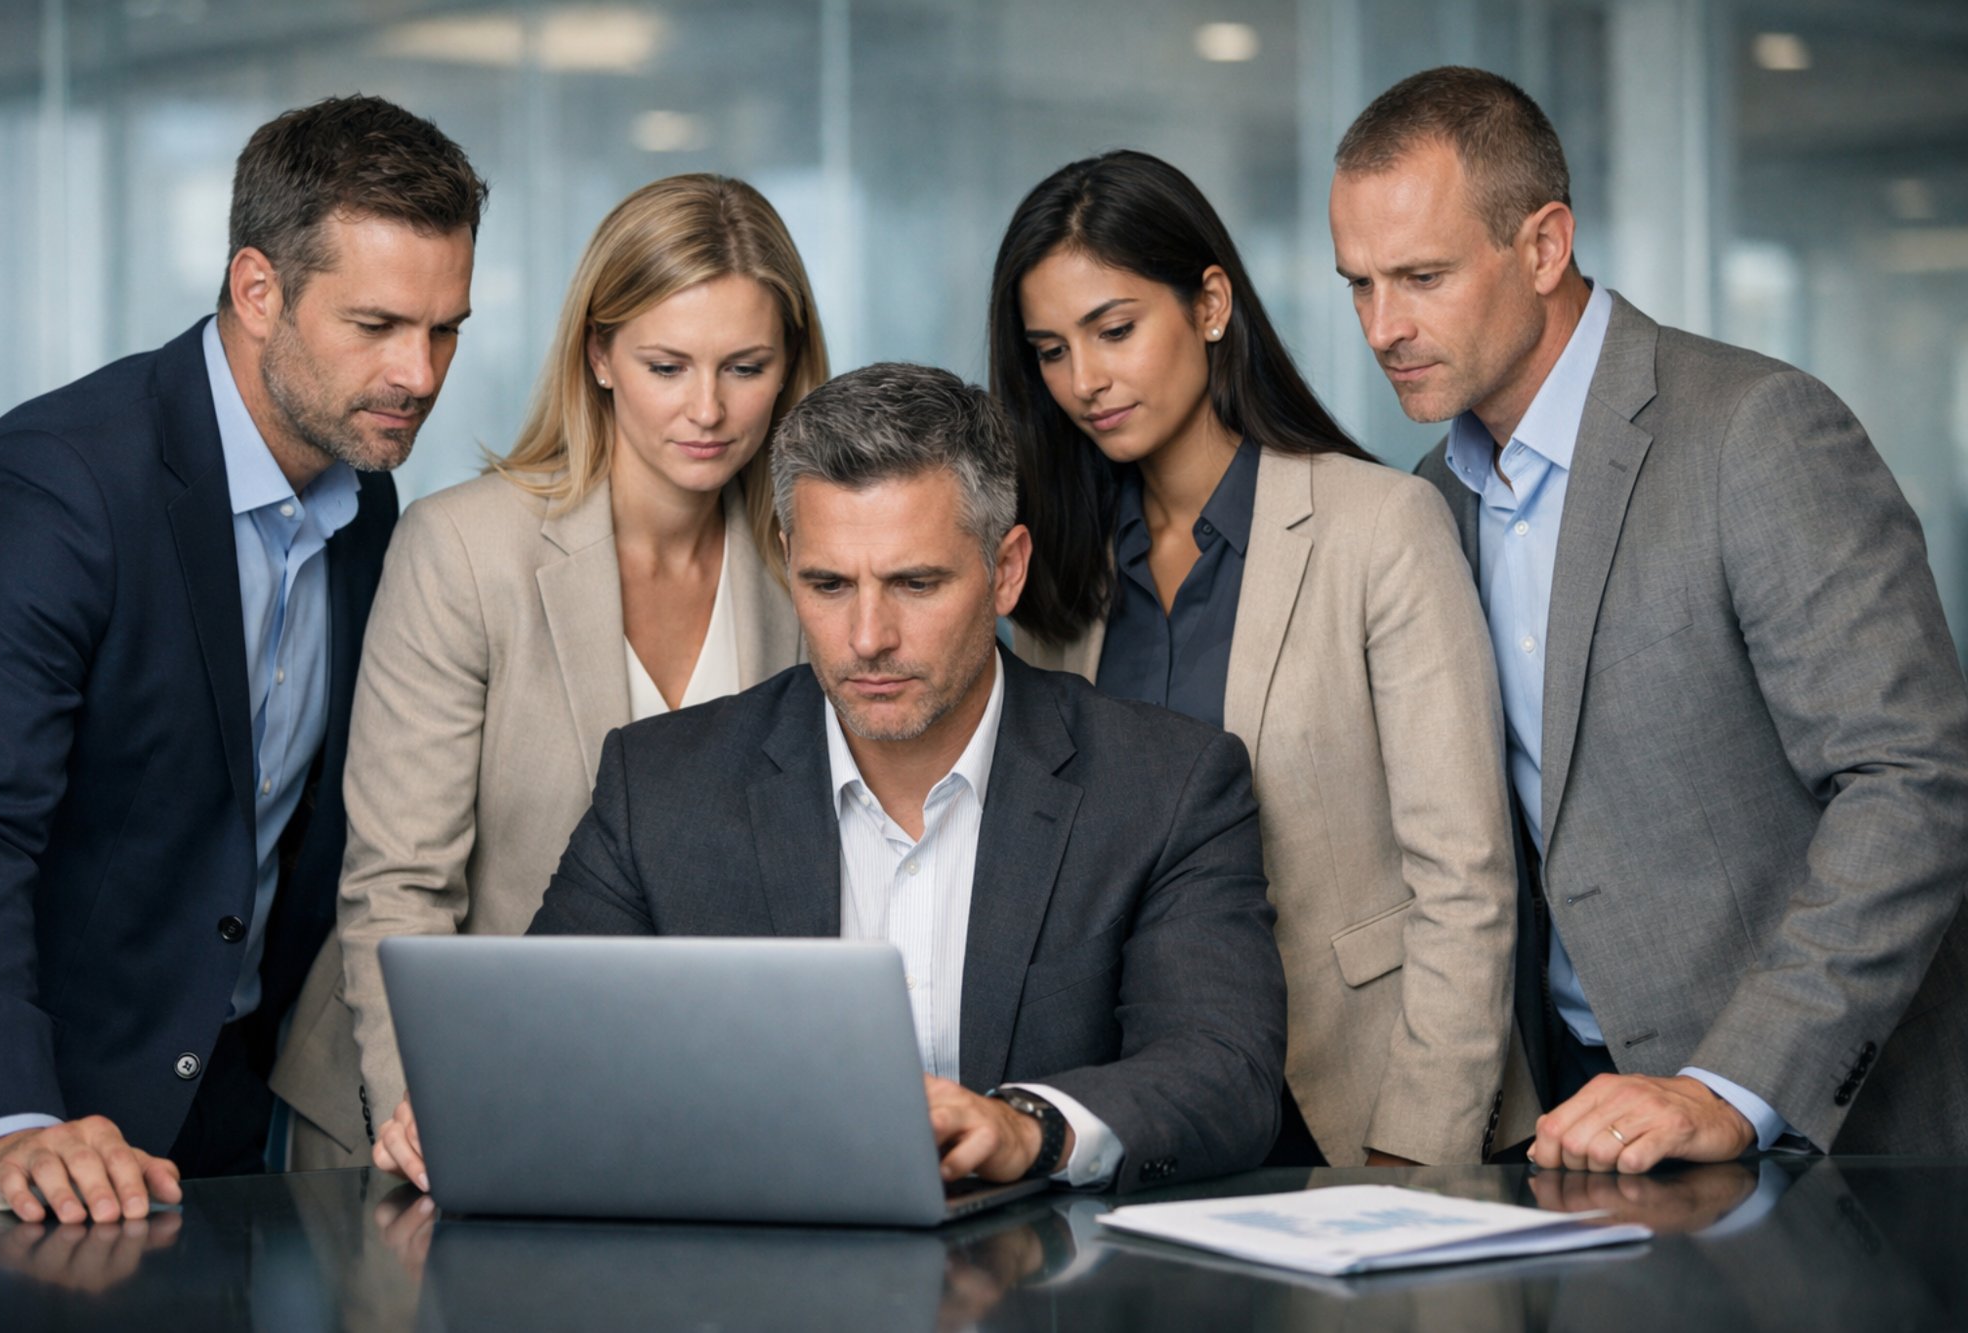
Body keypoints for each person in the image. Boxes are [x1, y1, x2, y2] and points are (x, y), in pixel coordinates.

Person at [370, 362, 1289, 1194]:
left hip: (1052, 1288)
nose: (867, 638)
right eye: (829, 585)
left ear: (1006, 571)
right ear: (788, 565)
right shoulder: (659, 788)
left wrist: (1029, 1127)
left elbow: (1224, 1072)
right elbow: (540, 1048)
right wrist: (462, 1105)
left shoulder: (1166, 785)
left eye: (915, 584)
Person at [1328, 65, 1968, 1171]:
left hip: (1813, 1132)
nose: (1384, 327)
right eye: (1359, 285)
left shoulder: (1752, 430)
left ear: (1543, 245)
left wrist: (1734, 1085)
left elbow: (1914, 781)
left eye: (1422, 276)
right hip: (1573, 1122)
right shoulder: (1433, 498)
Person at [0, 95, 487, 1223]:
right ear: (258, 290)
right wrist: (7, 1119)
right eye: (377, 324)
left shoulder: (366, 497)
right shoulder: (55, 488)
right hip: (44, 1131)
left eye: (445, 329)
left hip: (232, 1124)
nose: (418, 373)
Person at [269, 175, 829, 1169]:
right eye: (667, 365)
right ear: (600, 354)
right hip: (429, 1095)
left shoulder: (810, 572)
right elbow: (399, 886)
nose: (707, 409)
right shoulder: (463, 549)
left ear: (789, 370)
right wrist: (432, 1107)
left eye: (745, 367)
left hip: (686, 1109)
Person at [991, 150, 1535, 1167]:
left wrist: (1415, 1154)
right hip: (1152, 1117)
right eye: (1050, 351)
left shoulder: (1380, 526)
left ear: (1209, 305)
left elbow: (1465, 879)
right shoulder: (1062, 586)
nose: (1084, 381)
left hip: (1364, 1109)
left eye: (1114, 330)